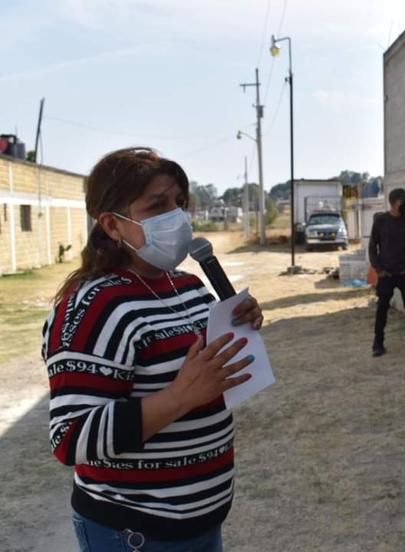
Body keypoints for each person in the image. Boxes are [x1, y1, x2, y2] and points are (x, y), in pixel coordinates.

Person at [43, 147, 264, 551]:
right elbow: (70, 438)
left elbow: (211, 376)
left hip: (202, 522)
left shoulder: (189, 287)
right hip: (133, 533)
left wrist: (239, 328)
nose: (177, 216)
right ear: (112, 225)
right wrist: (180, 396)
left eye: (179, 202)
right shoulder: (94, 306)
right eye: (157, 205)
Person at [369, 188, 405, 357]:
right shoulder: (381, 221)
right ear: (394, 203)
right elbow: (373, 246)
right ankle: (378, 344)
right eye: (403, 201)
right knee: (382, 309)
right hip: (386, 274)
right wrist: (379, 269)